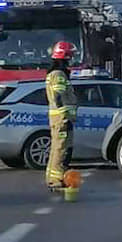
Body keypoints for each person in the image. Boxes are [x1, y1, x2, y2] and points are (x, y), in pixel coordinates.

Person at [45, 41, 78, 192]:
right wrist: (65, 114)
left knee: (58, 149)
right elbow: (58, 96)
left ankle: (54, 178)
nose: (71, 59)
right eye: (70, 56)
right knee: (60, 150)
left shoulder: (56, 74)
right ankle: (56, 180)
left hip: (61, 118)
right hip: (61, 118)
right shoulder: (58, 75)